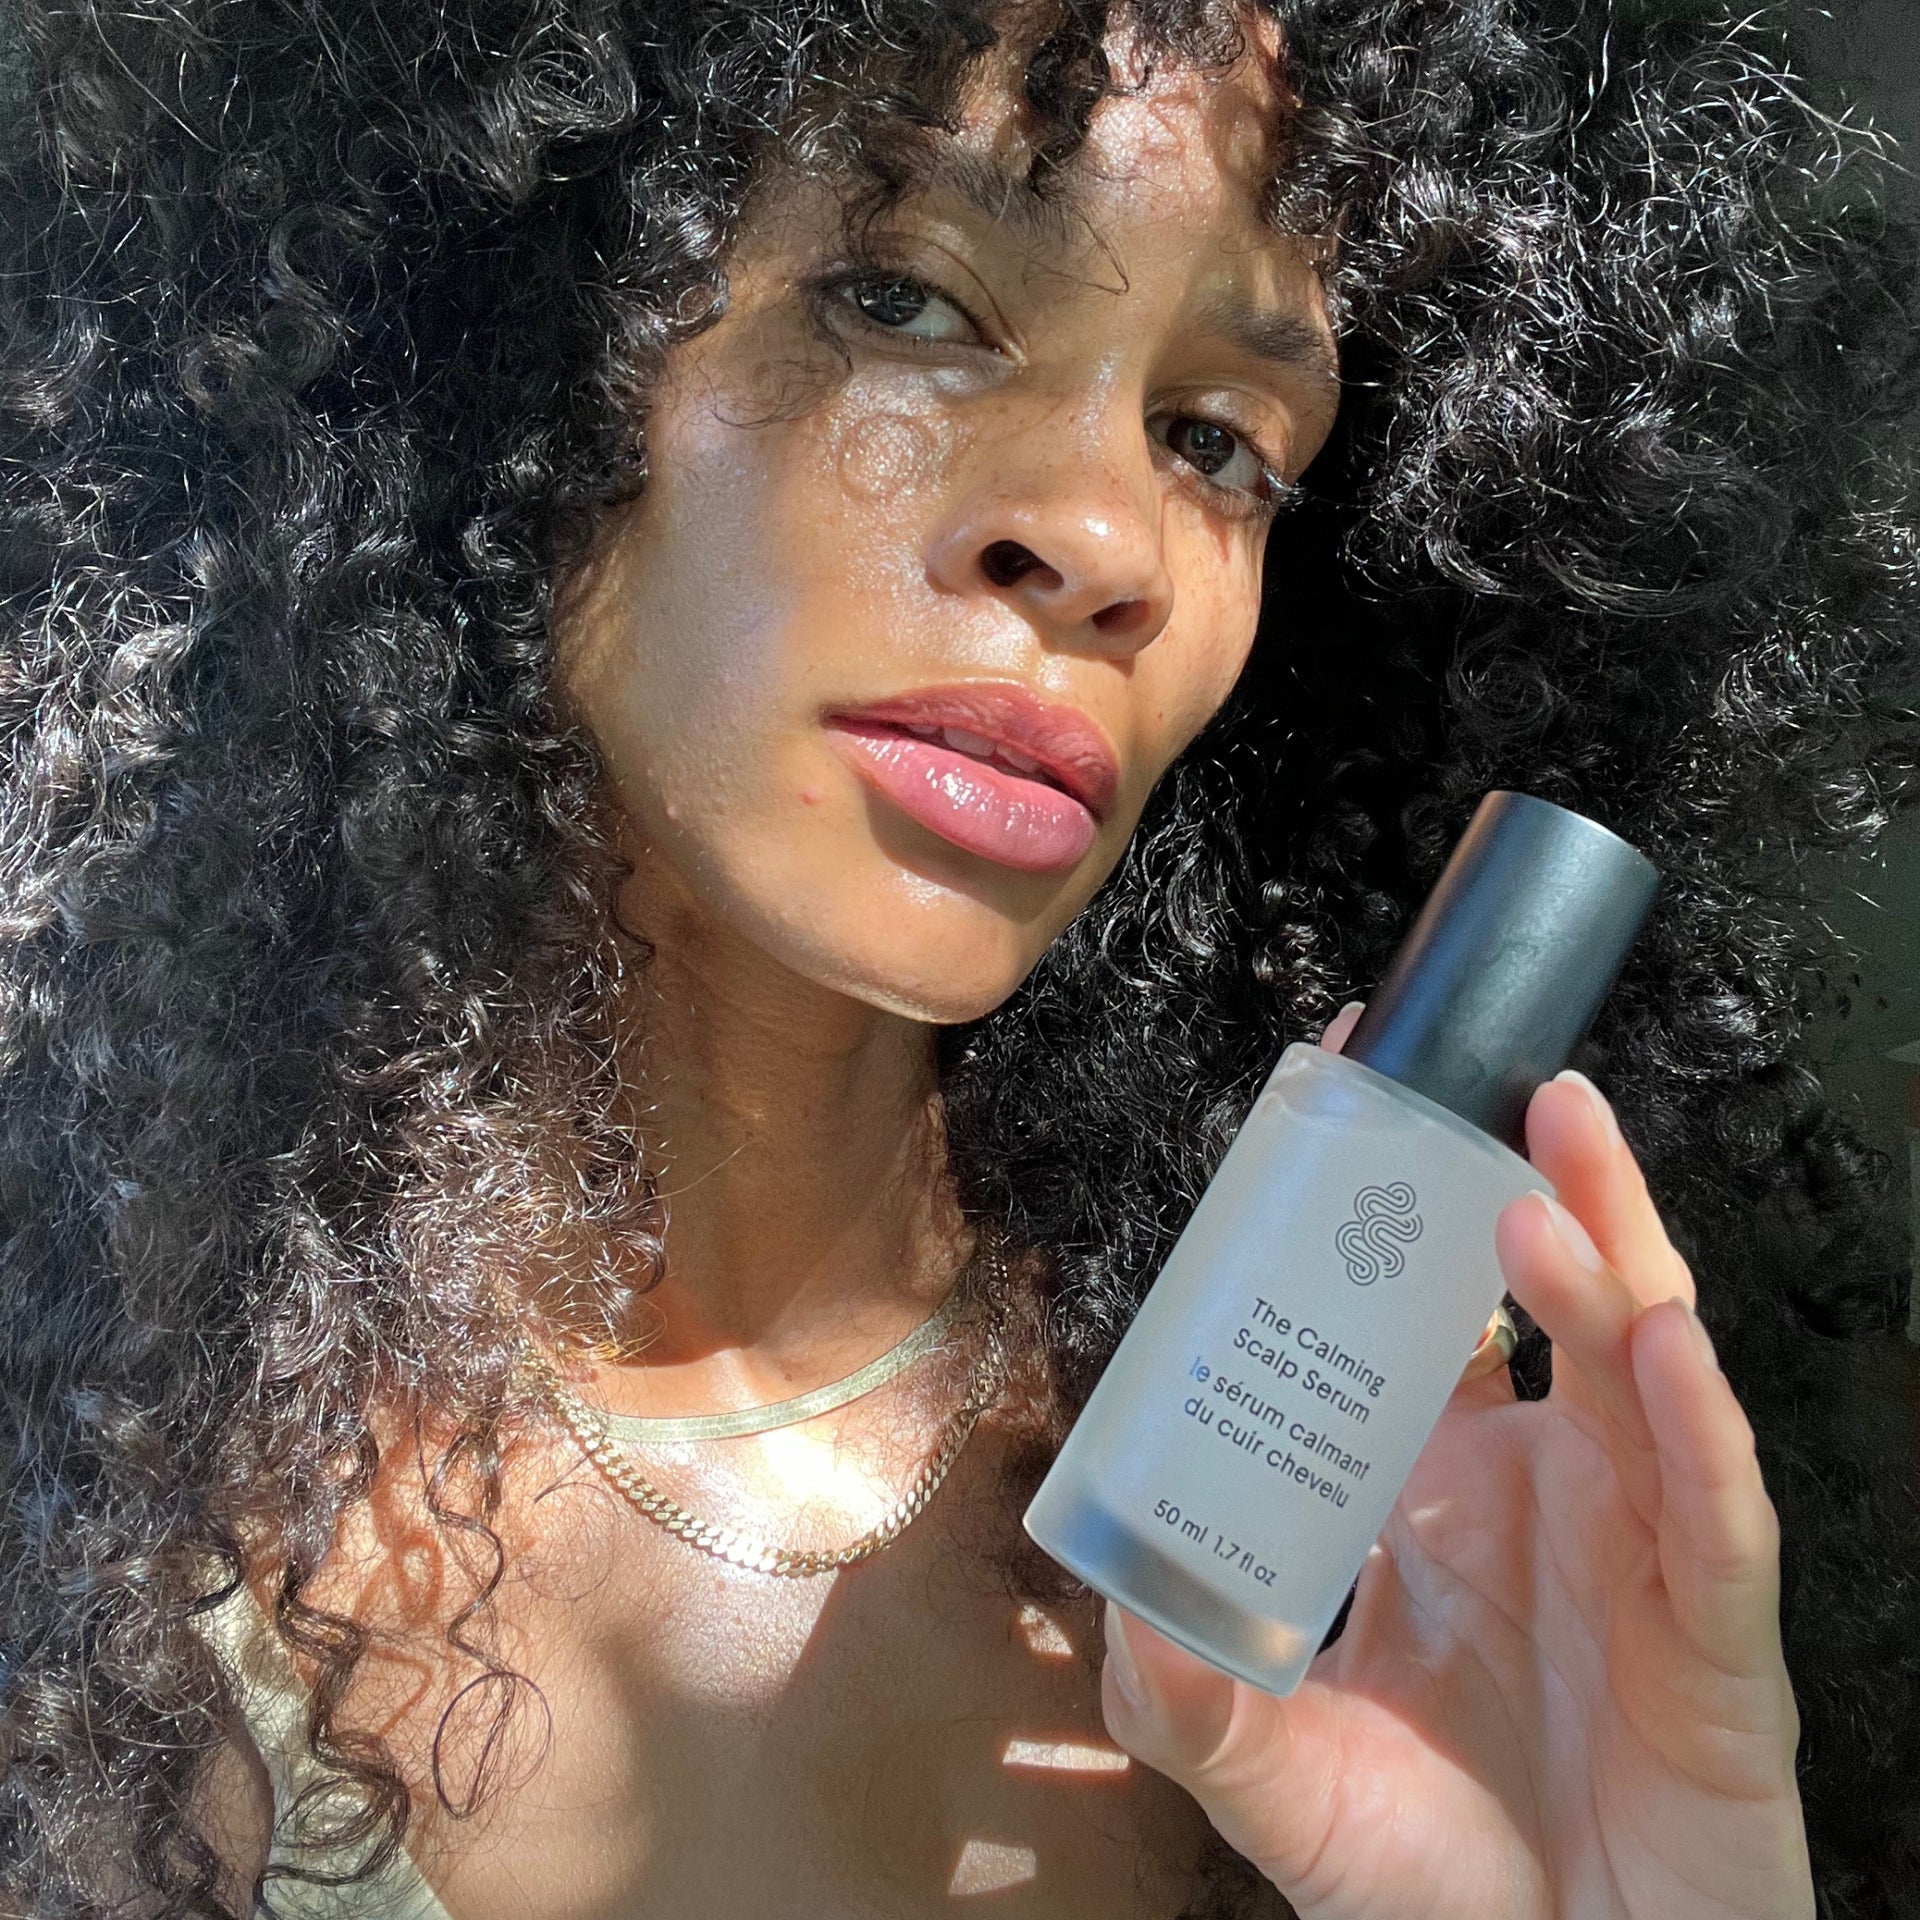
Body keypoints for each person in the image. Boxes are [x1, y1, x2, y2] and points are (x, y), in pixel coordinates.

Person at [2, 0, 1916, 1915]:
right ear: (517, 332)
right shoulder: (88, 1493)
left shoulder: (1362, 1533)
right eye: (903, 299)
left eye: (1215, 441)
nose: (1106, 539)